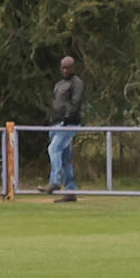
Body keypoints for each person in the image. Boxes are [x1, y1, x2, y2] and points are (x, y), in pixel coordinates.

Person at [37, 56, 85, 203]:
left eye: (68, 67)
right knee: (65, 159)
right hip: (56, 124)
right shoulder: (59, 84)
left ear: (73, 68)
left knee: (54, 149)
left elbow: (75, 104)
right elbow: (57, 102)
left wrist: (66, 118)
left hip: (68, 124)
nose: (65, 70)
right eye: (63, 67)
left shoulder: (77, 83)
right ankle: (70, 191)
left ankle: (55, 181)